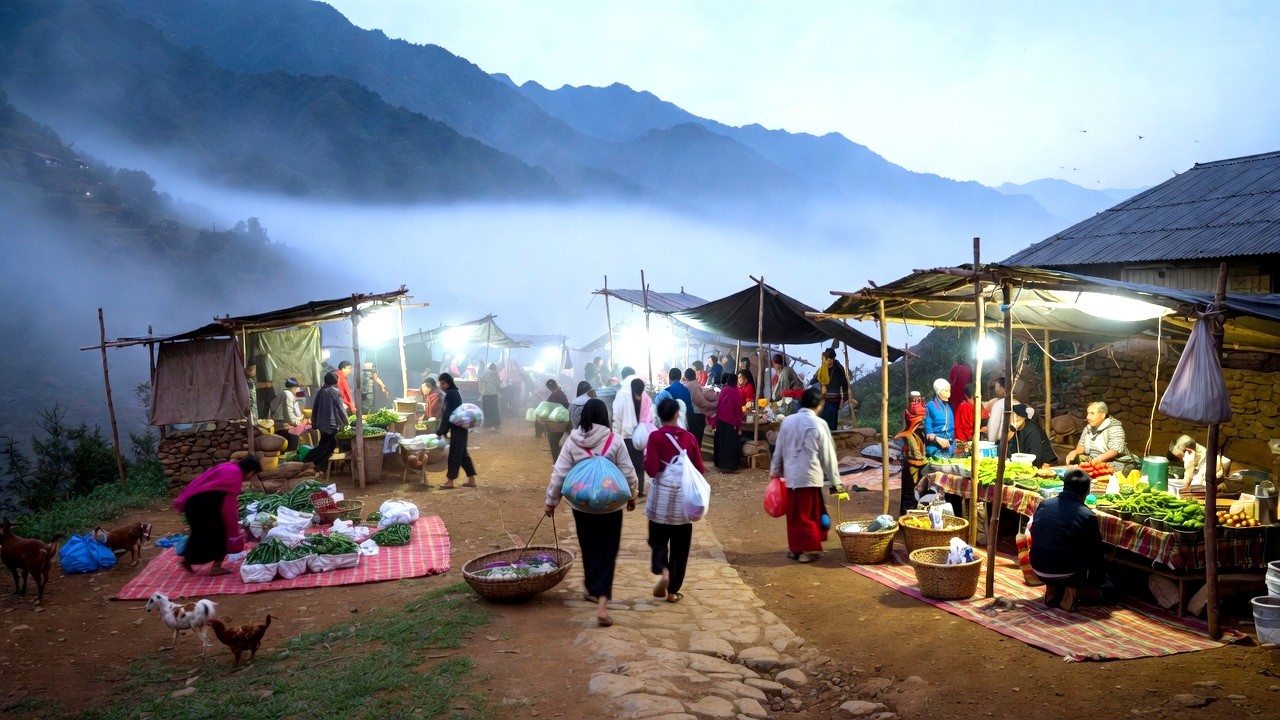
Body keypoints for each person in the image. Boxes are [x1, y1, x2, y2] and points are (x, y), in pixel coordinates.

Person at [544, 398, 638, 626]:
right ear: (604, 416)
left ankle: (592, 588)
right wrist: (632, 495)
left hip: (582, 506)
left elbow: (559, 473)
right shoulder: (614, 440)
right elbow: (628, 471)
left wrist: (551, 501)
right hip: (610, 507)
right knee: (608, 552)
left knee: (589, 547)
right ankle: (603, 604)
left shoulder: (572, 440)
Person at [642, 397, 707, 604]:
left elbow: (652, 470)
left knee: (657, 540)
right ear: (678, 414)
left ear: (659, 416)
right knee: (680, 547)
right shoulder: (689, 438)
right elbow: (699, 469)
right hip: (683, 501)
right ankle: (672, 591)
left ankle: (663, 569)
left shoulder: (655, 437)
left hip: (661, 500)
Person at [770, 387, 844, 563]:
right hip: (810, 476)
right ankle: (806, 551)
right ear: (819, 404)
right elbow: (828, 455)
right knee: (808, 516)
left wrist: (775, 471)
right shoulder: (819, 424)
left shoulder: (787, 421)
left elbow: (778, 449)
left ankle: (796, 549)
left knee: (795, 516)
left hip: (791, 477)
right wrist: (836, 481)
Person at [1029, 469, 1117, 611]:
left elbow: (1036, 533)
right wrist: (1101, 576)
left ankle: (1053, 589)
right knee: (1111, 590)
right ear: (1087, 491)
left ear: (1064, 485)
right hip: (1068, 573)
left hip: (1037, 568)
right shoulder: (1087, 515)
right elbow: (1096, 552)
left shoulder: (1044, 504)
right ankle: (1074, 592)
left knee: (1060, 551)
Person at [173, 456, 259, 576]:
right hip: (203, 504)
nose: (251, 477)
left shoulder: (230, 467)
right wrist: (233, 530)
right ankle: (216, 567)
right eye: (253, 474)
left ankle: (188, 559)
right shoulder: (235, 476)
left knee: (200, 533)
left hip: (193, 502)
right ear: (250, 471)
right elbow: (228, 507)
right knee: (221, 533)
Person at [1064, 401, 1137, 474]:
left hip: (1116, 461)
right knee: (1074, 460)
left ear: (1102, 415)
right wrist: (1074, 452)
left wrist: (1096, 461)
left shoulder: (1115, 428)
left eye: (1092, 413)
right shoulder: (1088, 428)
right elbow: (1081, 446)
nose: (1088, 417)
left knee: (1103, 470)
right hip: (1093, 458)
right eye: (1088, 413)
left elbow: (1114, 451)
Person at [612, 377, 653, 496]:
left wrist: (616, 435)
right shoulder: (644, 398)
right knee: (638, 464)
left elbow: (617, 417)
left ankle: (630, 490)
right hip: (636, 437)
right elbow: (651, 417)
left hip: (629, 436)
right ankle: (637, 490)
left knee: (627, 464)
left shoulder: (623, 396)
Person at [437, 372, 478, 488]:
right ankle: (472, 480)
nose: (441, 386)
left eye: (442, 383)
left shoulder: (450, 394)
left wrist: (441, 431)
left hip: (457, 427)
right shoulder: (455, 393)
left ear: (447, 383)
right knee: (462, 454)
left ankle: (450, 481)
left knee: (455, 454)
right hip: (462, 427)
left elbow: (447, 414)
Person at [895, 399, 928, 515]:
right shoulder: (908, 435)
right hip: (911, 467)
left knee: (918, 494)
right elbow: (917, 457)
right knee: (910, 495)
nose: (923, 420)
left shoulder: (921, 431)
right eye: (920, 418)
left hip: (918, 467)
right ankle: (906, 522)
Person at [309, 371, 348, 469]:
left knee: (323, 444)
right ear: (335, 381)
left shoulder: (322, 390)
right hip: (331, 424)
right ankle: (310, 462)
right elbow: (340, 408)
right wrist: (346, 422)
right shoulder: (334, 391)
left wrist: (314, 422)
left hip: (321, 424)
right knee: (328, 447)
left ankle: (321, 466)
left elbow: (315, 408)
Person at [712, 374, 744, 473]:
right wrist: (739, 426)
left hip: (721, 421)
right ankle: (729, 466)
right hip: (730, 422)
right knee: (730, 444)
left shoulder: (724, 390)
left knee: (721, 443)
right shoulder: (735, 392)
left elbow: (719, 405)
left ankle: (720, 464)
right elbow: (738, 411)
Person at [816, 348, 849, 431]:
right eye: (827, 359)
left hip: (834, 399)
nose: (829, 361)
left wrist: (844, 398)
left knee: (831, 421)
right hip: (824, 399)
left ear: (833, 359)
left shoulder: (838, 369)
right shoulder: (822, 368)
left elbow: (844, 384)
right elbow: (814, 380)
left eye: (831, 359)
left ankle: (832, 437)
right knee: (823, 419)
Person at [268, 378, 305, 451]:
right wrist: (296, 422)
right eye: (298, 388)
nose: (298, 390)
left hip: (281, 426)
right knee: (290, 451)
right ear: (294, 387)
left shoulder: (285, 393)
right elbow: (289, 413)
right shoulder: (287, 394)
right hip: (285, 428)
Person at [682, 368, 714, 445]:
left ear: (686, 377)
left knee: (690, 442)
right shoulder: (693, 385)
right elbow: (702, 402)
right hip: (696, 417)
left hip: (691, 417)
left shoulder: (688, 385)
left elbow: (700, 401)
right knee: (696, 442)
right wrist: (713, 404)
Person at [924, 378, 955, 457]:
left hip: (950, 443)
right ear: (939, 392)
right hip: (936, 443)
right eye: (946, 391)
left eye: (949, 390)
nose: (949, 393)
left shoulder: (949, 407)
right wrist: (936, 439)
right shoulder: (930, 406)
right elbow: (928, 427)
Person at [544, 379, 571, 459]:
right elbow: (567, 407)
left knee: (554, 445)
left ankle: (557, 462)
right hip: (563, 424)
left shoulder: (554, 396)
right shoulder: (562, 394)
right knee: (561, 445)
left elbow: (547, 408)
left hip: (554, 425)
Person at [479, 362, 502, 433]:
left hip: (485, 395)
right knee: (494, 411)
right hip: (493, 395)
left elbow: (480, 381)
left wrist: (482, 391)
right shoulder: (495, 374)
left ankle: (486, 424)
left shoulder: (484, 373)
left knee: (486, 411)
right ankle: (494, 424)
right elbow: (498, 384)